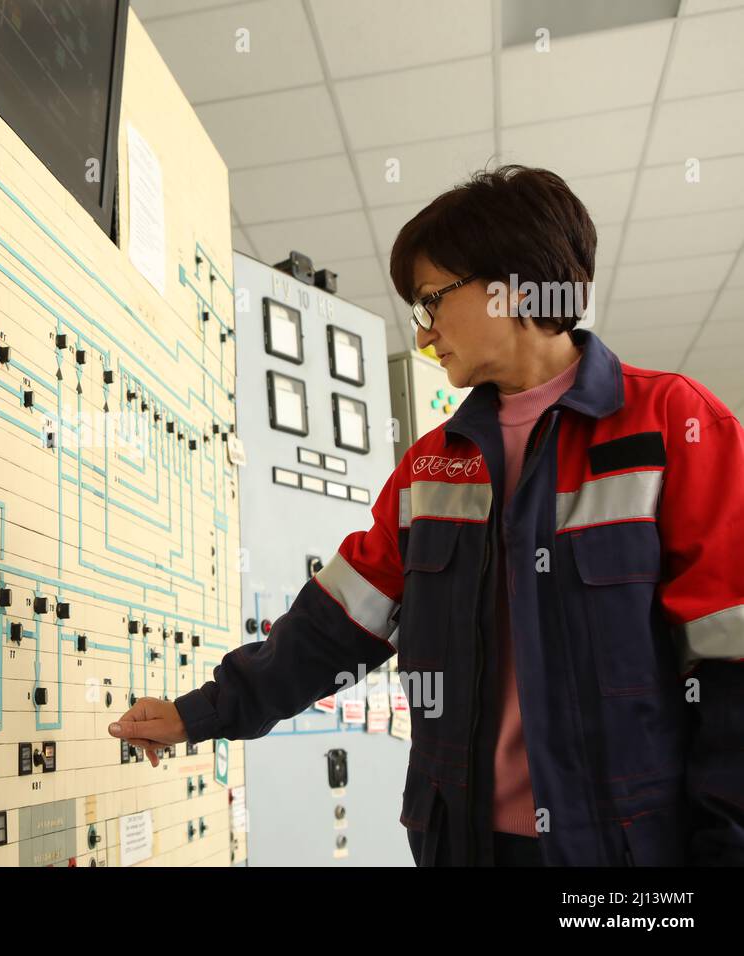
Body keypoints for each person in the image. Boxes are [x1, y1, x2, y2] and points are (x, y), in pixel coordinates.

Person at [107, 165, 744, 866]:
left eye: (432, 301)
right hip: (464, 846)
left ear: (512, 284)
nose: (424, 333)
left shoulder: (671, 426)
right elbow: (334, 630)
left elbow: (730, 664)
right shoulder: (431, 467)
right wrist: (200, 713)